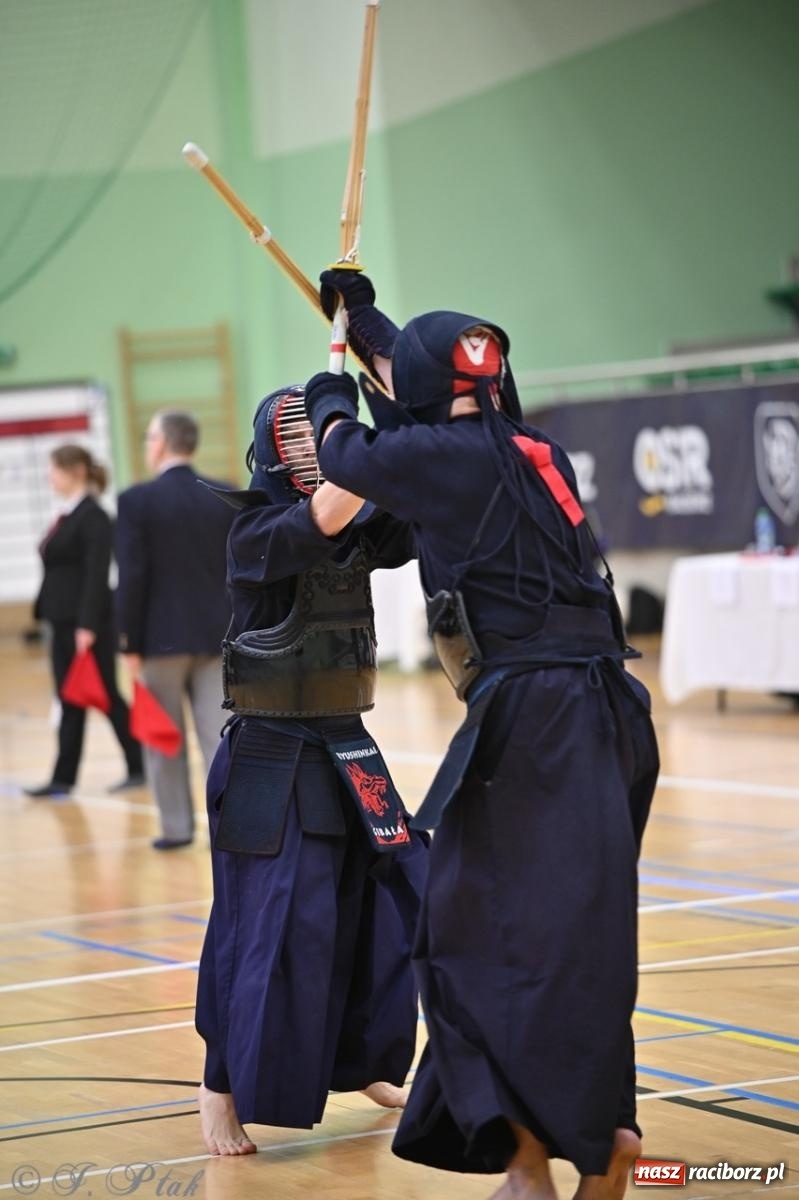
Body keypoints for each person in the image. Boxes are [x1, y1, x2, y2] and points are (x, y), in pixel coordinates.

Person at [302, 270, 660, 1200]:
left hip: (532, 726)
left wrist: (330, 378)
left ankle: (530, 1161)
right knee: (577, 943)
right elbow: (427, 388)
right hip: (608, 714)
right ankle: (601, 1138)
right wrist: (364, 316)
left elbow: (343, 447)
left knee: (459, 941)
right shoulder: (532, 445)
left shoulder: (433, 457)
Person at [194, 384, 428, 1156]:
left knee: (385, 903)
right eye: (293, 437)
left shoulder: (355, 523)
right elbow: (324, 512)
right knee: (261, 924)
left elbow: (408, 502)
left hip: (346, 743)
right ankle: (218, 1089)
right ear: (270, 448)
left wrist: (392, 406)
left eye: (314, 434)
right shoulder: (255, 532)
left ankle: (362, 1061)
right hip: (269, 754)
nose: (307, 448)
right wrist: (347, 447)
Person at [115, 410, 235, 850]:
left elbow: (132, 576)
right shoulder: (223, 492)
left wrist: (127, 639)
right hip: (219, 636)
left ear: (162, 443)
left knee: (163, 739)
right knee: (220, 739)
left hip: (159, 641)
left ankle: (177, 828)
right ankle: (230, 828)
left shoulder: (136, 501)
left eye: (149, 438)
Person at [25, 444, 144, 798]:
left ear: (76, 470)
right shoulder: (68, 513)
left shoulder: (93, 516)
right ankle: (63, 778)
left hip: (85, 625)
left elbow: (96, 574)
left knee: (105, 694)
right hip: (62, 621)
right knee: (70, 697)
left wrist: (86, 626)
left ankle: (138, 764)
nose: (49, 476)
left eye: (54, 469)